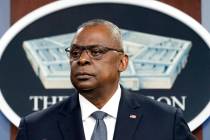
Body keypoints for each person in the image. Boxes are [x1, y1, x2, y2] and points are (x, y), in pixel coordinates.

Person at [16, 19, 196, 140]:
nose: (82, 59)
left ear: (123, 62)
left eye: (96, 52)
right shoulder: (35, 128)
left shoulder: (165, 121)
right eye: (75, 53)